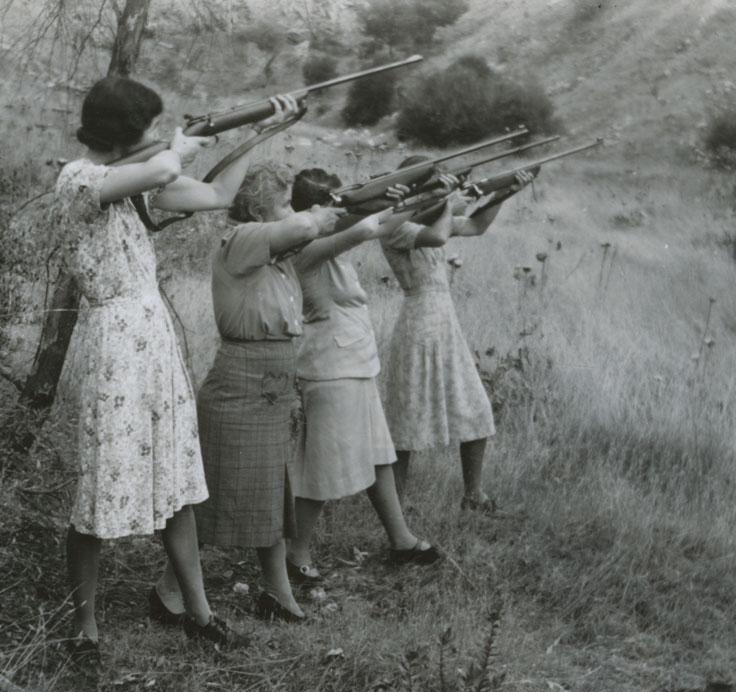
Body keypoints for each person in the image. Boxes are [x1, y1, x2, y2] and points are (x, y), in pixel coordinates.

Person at [50, 76, 300, 660]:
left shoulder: (130, 183)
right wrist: (180, 146)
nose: (152, 135)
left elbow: (214, 197)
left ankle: (198, 611)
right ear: (126, 130)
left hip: (151, 340)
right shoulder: (79, 179)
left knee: (176, 481)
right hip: (115, 345)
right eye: (145, 126)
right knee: (98, 489)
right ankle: (83, 629)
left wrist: (257, 136)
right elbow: (164, 171)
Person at [158, 162, 342, 624]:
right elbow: (304, 223)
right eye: (282, 202)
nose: (291, 211)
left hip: (270, 382)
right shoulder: (242, 241)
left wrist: (367, 208)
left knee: (270, 493)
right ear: (260, 207)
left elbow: (341, 232)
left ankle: (276, 594)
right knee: (214, 494)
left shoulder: (273, 252)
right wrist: (320, 212)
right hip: (241, 383)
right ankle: (167, 592)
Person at [283, 168, 443, 586]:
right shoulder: (305, 243)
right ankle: (293, 554)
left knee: (378, 455)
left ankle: (400, 539)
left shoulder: (323, 240)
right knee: (322, 469)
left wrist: (414, 198)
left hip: (352, 360)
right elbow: (364, 228)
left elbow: (376, 224)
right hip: (331, 365)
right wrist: (390, 201)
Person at [379, 157, 534, 511]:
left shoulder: (432, 216)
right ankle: (395, 509)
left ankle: (473, 495)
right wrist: (449, 202)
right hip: (419, 323)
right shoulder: (394, 225)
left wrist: (503, 193)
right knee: (406, 421)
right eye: (434, 185)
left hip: (445, 322)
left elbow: (477, 226)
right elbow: (437, 236)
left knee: (475, 406)